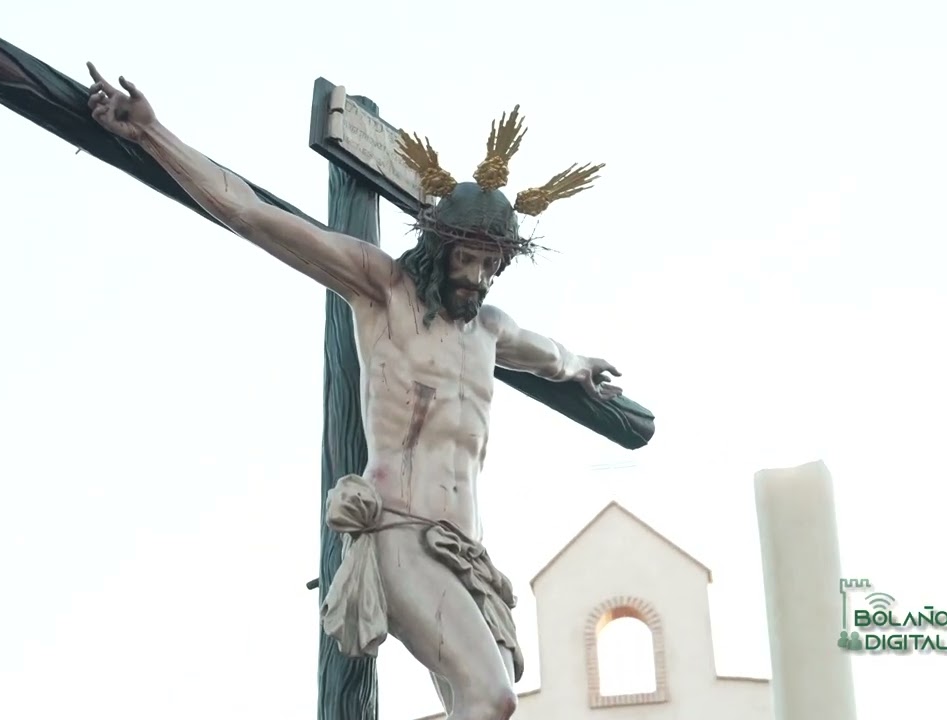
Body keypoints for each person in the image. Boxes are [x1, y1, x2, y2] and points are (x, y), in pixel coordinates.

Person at [86, 63, 624, 720]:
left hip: (467, 557)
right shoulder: (385, 291)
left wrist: (584, 366)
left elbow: (554, 357)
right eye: (468, 259)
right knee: (492, 698)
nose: (478, 277)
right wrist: (153, 135)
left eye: (491, 264)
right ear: (439, 247)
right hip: (400, 533)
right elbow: (250, 214)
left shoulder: (490, 331)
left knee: (478, 704)